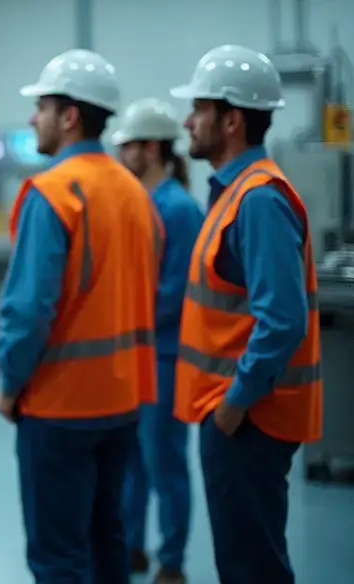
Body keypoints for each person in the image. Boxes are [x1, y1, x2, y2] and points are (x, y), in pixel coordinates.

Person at [0, 48, 161, 584]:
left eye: (40, 106)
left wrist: (10, 385)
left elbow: (27, 312)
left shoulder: (54, 193)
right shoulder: (137, 194)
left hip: (60, 405)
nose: (32, 119)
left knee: (59, 558)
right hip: (122, 400)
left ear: (69, 115)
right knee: (106, 539)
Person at [169, 44, 323, 584]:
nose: (188, 121)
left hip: (248, 418)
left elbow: (281, 319)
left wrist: (234, 404)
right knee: (243, 561)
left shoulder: (257, 200)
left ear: (231, 120)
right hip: (236, 414)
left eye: (199, 109)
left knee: (250, 568)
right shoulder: (234, 194)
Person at [111, 99, 205, 584]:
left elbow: (172, 294)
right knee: (133, 461)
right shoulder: (142, 204)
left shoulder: (179, 209)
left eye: (128, 146)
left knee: (164, 461)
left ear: (151, 148)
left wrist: (121, 318)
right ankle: (131, 546)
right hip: (137, 354)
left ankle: (172, 561)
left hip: (166, 356)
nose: (122, 154)